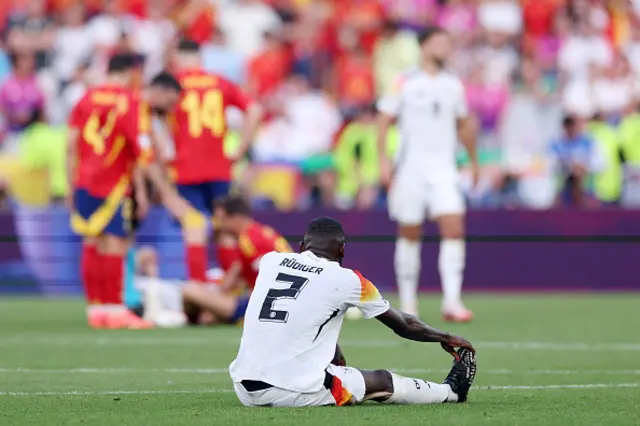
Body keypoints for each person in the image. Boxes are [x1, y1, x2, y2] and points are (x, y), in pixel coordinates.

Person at [230, 217, 476, 408]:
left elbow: (299, 313)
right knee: (381, 381)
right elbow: (404, 325)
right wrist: (444, 337)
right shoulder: (349, 279)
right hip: (293, 390)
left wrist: (332, 355)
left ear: (302, 246)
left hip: (243, 387)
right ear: (342, 251)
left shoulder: (272, 261)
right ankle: (451, 392)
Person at [68, 54, 187, 329]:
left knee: (92, 243)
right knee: (116, 245)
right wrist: (167, 196)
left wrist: (71, 183)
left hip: (84, 181)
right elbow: (143, 154)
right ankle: (115, 310)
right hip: (112, 185)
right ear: (130, 73)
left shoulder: (86, 98)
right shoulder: (129, 102)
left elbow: (70, 144)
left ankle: (97, 310)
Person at [377, 27, 478, 322]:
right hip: (411, 168)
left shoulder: (453, 84)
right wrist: (384, 161)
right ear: (424, 46)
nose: (444, 48)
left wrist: (472, 160)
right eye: (439, 43)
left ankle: (452, 301)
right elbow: (384, 121)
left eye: (447, 43)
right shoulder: (404, 81)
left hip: (444, 167)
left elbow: (464, 125)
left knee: (454, 227)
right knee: (410, 232)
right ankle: (408, 302)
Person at [169, 39, 263, 284]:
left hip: (185, 169)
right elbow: (254, 110)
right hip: (219, 169)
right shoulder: (220, 82)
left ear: (178, 57)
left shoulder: (173, 84)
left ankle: (199, 290)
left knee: (194, 228)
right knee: (227, 231)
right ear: (201, 58)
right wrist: (241, 149)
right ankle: (232, 288)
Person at [181, 195, 292, 324]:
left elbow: (272, 275)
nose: (218, 224)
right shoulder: (258, 233)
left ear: (236, 218)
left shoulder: (249, 241)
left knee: (190, 290)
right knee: (208, 315)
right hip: (272, 301)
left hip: (264, 305)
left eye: (222, 219)